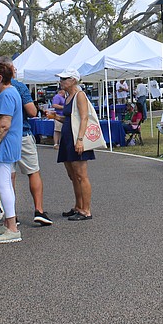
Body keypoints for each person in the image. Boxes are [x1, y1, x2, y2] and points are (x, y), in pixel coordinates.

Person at [0, 56, 52, 227]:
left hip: (3, 137)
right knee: (32, 171)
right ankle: (38, 209)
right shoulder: (19, 88)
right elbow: (32, 112)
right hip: (21, 134)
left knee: (8, 178)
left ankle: (12, 215)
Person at [0, 61, 24, 243]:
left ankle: (12, 227)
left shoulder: (7, 95)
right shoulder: (8, 93)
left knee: (2, 184)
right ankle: (10, 224)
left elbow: (4, 125)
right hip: (8, 144)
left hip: (4, 145)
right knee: (5, 184)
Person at [54, 68, 95, 220]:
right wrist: (56, 117)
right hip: (67, 137)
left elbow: (84, 118)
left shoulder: (80, 95)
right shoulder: (68, 96)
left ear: (73, 80)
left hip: (75, 138)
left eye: (64, 79)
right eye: (61, 79)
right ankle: (78, 206)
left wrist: (80, 139)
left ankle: (86, 210)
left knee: (81, 175)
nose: (61, 82)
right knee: (72, 175)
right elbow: (71, 119)